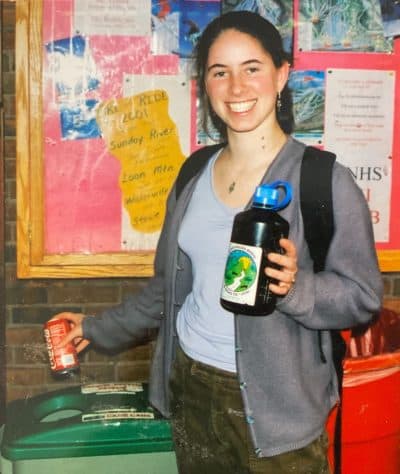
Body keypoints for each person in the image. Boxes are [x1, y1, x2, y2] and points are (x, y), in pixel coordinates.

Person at [52, 11, 383, 474]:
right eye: (219, 72)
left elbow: (363, 297)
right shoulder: (193, 173)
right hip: (191, 388)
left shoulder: (323, 180)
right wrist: (97, 327)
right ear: (205, 85)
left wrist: (296, 288)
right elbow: (169, 289)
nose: (236, 87)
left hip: (278, 415)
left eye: (252, 68)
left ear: (282, 74)